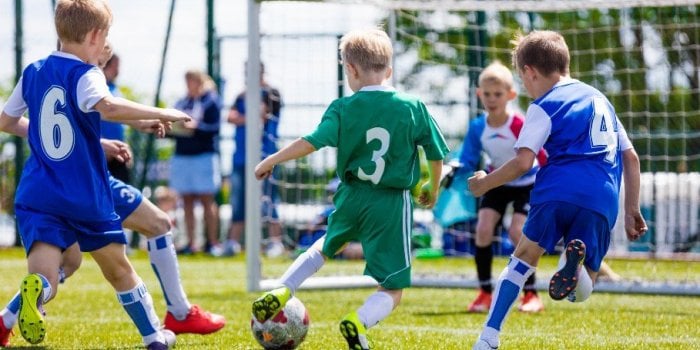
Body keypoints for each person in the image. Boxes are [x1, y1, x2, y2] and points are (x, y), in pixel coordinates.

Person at [0, 0, 192, 348]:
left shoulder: (34, 70)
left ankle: (37, 291)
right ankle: (155, 337)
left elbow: (6, 121)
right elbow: (108, 106)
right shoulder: (86, 74)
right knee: (119, 270)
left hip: (38, 193)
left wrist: (91, 140)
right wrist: (165, 111)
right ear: (96, 35)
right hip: (82, 194)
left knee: (50, 274)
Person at [251, 28, 449, 350]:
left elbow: (310, 142)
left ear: (351, 70)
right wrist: (432, 185)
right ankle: (358, 322)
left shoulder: (342, 108)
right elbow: (436, 153)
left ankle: (283, 289)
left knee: (325, 246)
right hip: (390, 202)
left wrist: (272, 159)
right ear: (389, 70)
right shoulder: (413, 106)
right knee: (393, 287)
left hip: (351, 194)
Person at [468, 30, 648, 350]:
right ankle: (574, 263)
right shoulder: (601, 100)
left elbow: (523, 162)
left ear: (530, 72)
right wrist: (633, 209)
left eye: (524, 81)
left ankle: (488, 338)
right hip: (601, 197)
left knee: (522, 260)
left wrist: (485, 183)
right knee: (583, 289)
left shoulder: (544, 104)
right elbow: (631, 158)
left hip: (557, 190)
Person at [457, 62, 547, 313]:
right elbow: (467, 158)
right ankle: (485, 292)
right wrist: (454, 168)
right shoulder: (477, 128)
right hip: (497, 181)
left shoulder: (519, 124)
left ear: (510, 95)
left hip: (527, 183)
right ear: (479, 94)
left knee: (518, 232)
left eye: (498, 94)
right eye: (486, 94)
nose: (491, 99)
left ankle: (531, 294)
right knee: (483, 229)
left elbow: (541, 156)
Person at [226, 63, 285, 257]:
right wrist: (246, 117)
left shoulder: (272, 93)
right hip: (241, 158)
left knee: (269, 198)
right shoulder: (241, 96)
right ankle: (232, 243)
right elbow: (231, 117)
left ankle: (275, 243)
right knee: (238, 201)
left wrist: (245, 117)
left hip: (266, 157)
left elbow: (261, 114)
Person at [170, 70, 222, 255]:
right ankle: (191, 243)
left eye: (191, 80)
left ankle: (213, 243)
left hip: (204, 156)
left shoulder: (211, 100)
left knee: (207, 200)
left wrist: (196, 127)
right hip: (182, 156)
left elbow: (215, 128)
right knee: (187, 201)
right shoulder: (182, 103)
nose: (188, 84)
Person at [99, 51, 131, 183]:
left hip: (117, 151)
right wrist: (103, 146)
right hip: (101, 151)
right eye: (115, 66)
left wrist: (125, 146)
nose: (118, 71)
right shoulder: (96, 89)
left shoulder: (114, 88)